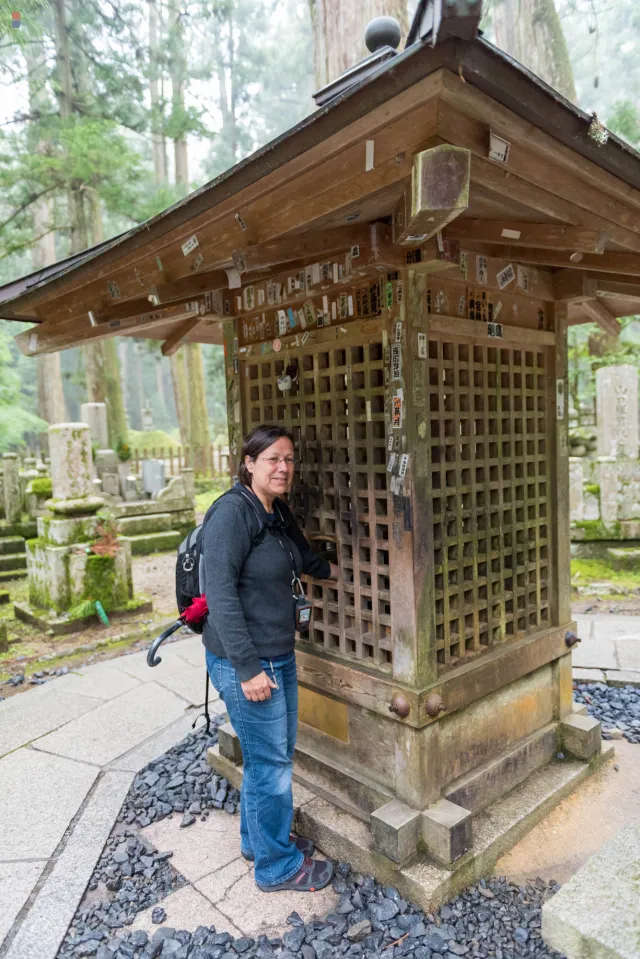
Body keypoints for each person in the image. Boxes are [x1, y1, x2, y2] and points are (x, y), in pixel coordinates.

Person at [202, 424, 339, 892]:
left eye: (289, 459)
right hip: (247, 663)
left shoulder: (275, 511)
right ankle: (277, 867)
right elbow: (218, 595)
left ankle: (258, 841)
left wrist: (345, 570)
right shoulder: (230, 516)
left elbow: (302, 557)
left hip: (278, 655)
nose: (283, 468)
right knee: (272, 766)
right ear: (249, 463)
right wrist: (248, 669)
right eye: (272, 459)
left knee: (271, 759)